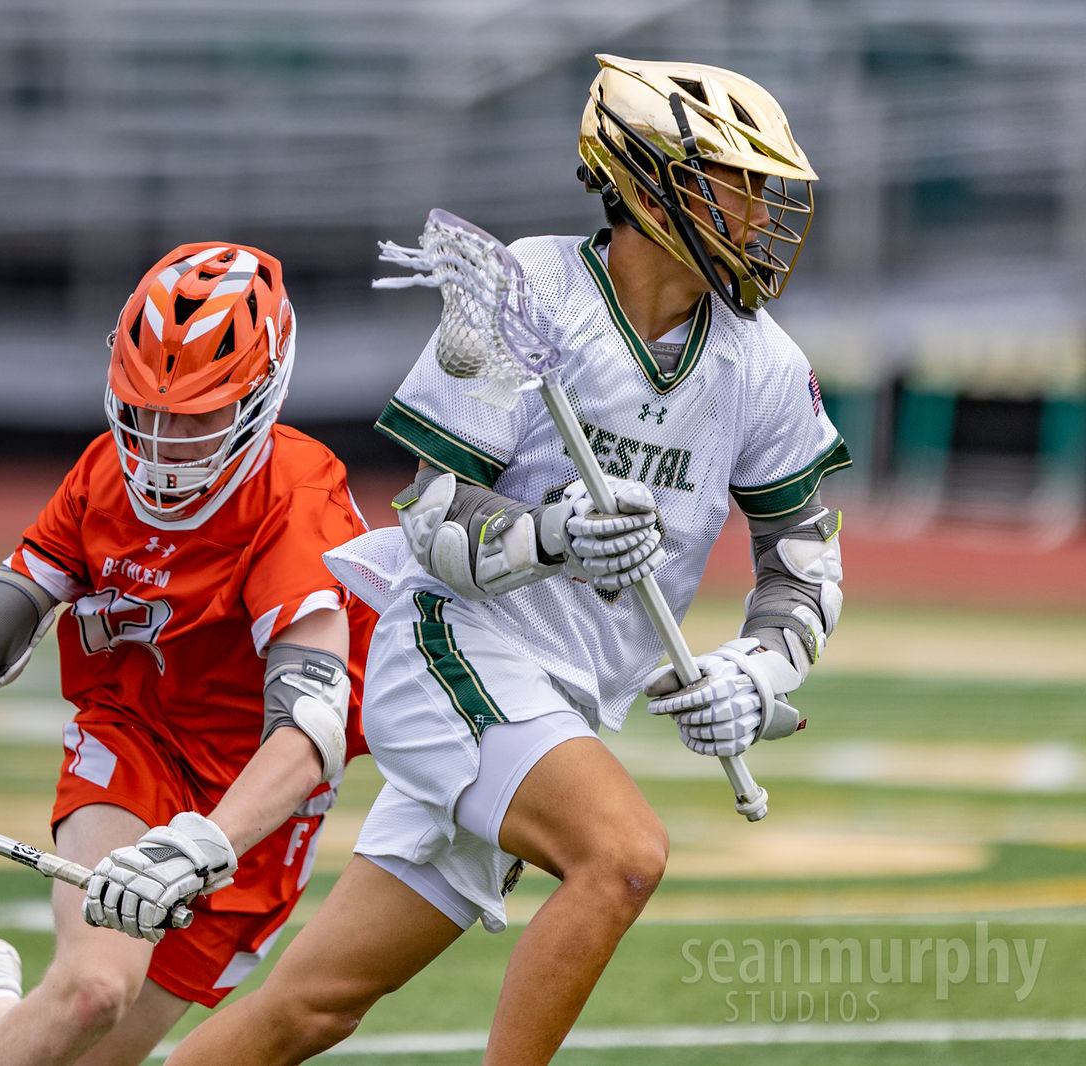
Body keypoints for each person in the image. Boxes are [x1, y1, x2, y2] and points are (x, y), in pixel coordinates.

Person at [164, 53, 850, 1066]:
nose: (758, 216)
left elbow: (803, 558)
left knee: (311, 1007)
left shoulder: (762, 361)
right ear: (648, 181)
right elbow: (431, 507)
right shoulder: (526, 291)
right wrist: (550, 532)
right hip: (454, 650)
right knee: (620, 856)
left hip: (558, 703)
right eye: (735, 185)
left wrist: (756, 674)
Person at [0, 242, 373, 1066]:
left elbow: (309, 728)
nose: (162, 443)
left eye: (194, 418)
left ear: (261, 398)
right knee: (93, 991)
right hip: (135, 742)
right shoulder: (103, 476)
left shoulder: (296, 500)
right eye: (144, 411)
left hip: (258, 791)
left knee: (85, 1049)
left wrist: (208, 842)